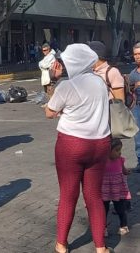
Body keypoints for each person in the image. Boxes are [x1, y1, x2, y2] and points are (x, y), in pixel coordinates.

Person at [45, 43, 112, 253]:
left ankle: (62, 244)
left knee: (68, 194)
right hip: (100, 143)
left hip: (71, 144)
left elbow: (50, 112)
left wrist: (54, 81)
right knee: (94, 196)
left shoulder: (67, 85)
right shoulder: (100, 82)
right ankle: (101, 247)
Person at [102, 138, 130, 237]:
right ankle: (103, 228)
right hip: (104, 189)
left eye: (120, 150)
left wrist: (126, 172)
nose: (119, 153)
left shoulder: (120, 160)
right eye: (117, 150)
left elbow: (123, 170)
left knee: (120, 208)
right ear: (108, 150)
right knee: (103, 209)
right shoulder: (102, 161)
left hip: (117, 189)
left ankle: (123, 225)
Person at [128, 42, 140, 172]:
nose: (137, 57)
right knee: (138, 137)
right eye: (135, 54)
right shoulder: (132, 74)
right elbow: (129, 92)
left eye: (139, 54)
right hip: (137, 108)